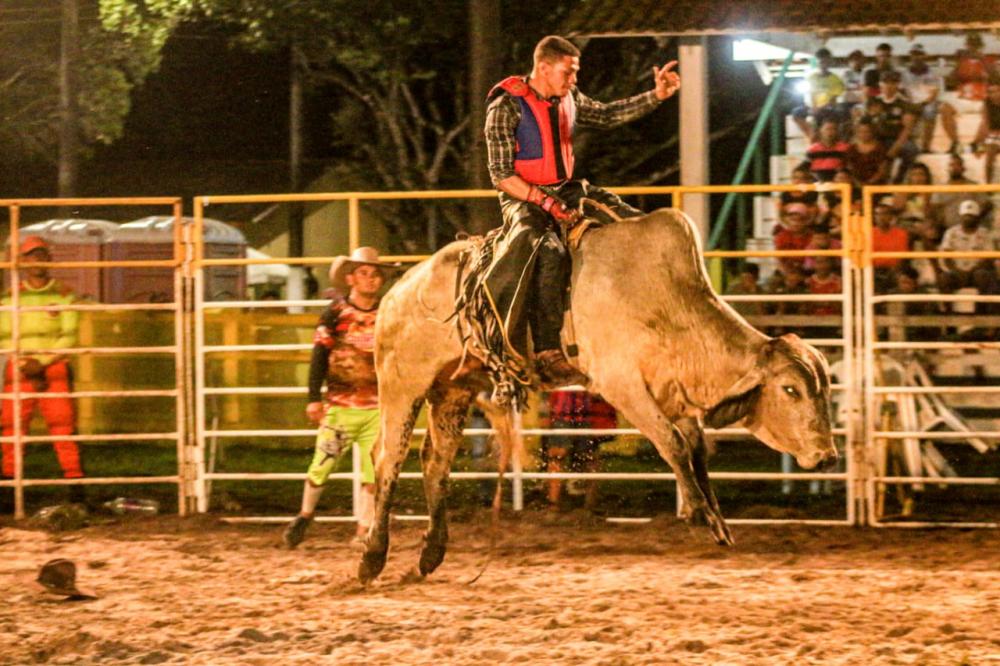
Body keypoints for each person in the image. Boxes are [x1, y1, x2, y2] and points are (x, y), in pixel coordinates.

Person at [482, 35, 680, 386]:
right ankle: (546, 353)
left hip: (566, 187)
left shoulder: (568, 97)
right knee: (549, 250)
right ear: (543, 67)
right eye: (568, 72)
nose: (573, 80)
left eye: (575, 73)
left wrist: (657, 96)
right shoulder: (506, 104)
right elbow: (500, 175)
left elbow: (606, 114)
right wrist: (545, 203)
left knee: (629, 219)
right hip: (522, 197)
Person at [282, 247, 400, 549]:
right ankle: (305, 514)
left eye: (375, 275)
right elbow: (319, 355)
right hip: (341, 406)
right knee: (322, 465)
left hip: (376, 407)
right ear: (351, 278)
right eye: (364, 273)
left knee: (373, 471)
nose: (370, 280)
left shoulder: (388, 313)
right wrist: (314, 398)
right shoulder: (335, 313)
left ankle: (364, 530)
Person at [0, 236, 83, 489]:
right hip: (21, 364)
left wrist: (42, 362)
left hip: (53, 365)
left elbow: (70, 334)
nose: (37, 260)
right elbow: (3, 335)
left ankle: (74, 481)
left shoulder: (65, 294)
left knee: (62, 424)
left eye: (41, 255)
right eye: (31, 256)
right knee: (12, 423)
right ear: (23, 262)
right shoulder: (10, 297)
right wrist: (26, 362)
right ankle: (9, 481)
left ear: (49, 259)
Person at [542, 389, 617, 512]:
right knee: (559, 455)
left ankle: (589, 502)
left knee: (588, 457)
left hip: (582, 415)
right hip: (567, 414)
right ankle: (554, 502)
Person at [941, 33, 998, 154]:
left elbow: (996, 78)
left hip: (982, 96)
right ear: (967, 46)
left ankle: (976, 143)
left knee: (987, 112)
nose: (973, 48)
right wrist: (958, 63)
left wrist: (982, 60)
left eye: (976, 45)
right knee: (945, 108)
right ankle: (955, 143)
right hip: (963, 96)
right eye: (971, 45)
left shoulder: (987, 61)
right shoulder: (962, 61)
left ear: (981, 46)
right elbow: (950, 80)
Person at [937, 200, 998, 313]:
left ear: (977, 217)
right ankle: (948, 314)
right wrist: (956, 270)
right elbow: (946, 256)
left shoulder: (985, 234)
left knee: (983, 276)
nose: (968, 219)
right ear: (961, 216)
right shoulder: (951, 233)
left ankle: (982, 313)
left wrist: (972, 271)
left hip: (976, 272)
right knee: (944, 278)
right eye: (966, 216)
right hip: (957, 273)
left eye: (971, 216)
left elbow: (989, 258)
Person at [866, 70, 920, 183]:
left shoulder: (905, 103)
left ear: (897, 85)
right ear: (880, 84)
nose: (889, 86)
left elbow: (907, 129)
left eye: (893, 82)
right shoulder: (874, 101)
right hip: (878, 139)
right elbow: (868, 124)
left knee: (911, 150)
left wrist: (895, 148)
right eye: (885, 82)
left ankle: (899, 179)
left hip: (897, 139)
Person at [791, 48, 845, 140]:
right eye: (821, 62)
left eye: (825, 62)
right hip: (814, 107)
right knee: (797, 112)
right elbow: (811, 95)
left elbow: (833, 100)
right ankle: (810, 134)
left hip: (828, 108)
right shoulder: (811, 78)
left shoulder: (836, 79)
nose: (823, 65)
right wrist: (814, 107)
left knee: (837, 113)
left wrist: (820, 108)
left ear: (829, 62)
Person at [930, 153, 993, 227]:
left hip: (972, 228)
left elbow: (988, 205)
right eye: (951, 165)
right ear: (947, 168)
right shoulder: (941, 188)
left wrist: (977, 219)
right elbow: (934, 207)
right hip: (948, 229)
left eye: (958, 164)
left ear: (963, 168)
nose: (955, 167)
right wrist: (940, 223)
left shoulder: (973, 186)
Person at [901, 44, 943, 153]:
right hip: (910, 102)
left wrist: (923, 103)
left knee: (930, 111)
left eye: (919, 54)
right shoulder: (904, 73)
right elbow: (903, 92)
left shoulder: (932, 73)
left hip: (926, 102)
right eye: (914, 54)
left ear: (924, 56)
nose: (916, 57)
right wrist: (911, 103)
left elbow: (934, 93)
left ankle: (926, 147)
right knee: (906, 114)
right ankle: (908, 145)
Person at [871, 201, 911, 293]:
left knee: (903, 281)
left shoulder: (901, 234)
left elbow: (901, 258)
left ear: (891, 217)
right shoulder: (868, 233)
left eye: (884, 214)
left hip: (895, 270)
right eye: (877, 214)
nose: (881, 217)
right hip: (873, 270)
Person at [846, 119, 890, 187]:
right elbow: (849, 169)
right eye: (861, 132)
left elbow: (882, 171)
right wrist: (857, 183)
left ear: (872, 132)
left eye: (867, 131)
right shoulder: (851, 149)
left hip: (876, 185)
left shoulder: (880, 148)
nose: (864, 134)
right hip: (856, 185)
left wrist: (869, 183)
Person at [974, 81, 1000, 183]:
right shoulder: (987, 104)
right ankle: (988, 188)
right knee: (988, 160)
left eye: (996, 91)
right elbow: (985, 125)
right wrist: (979, 145)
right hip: (994, 136)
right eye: (990, 92)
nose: (993, 94)